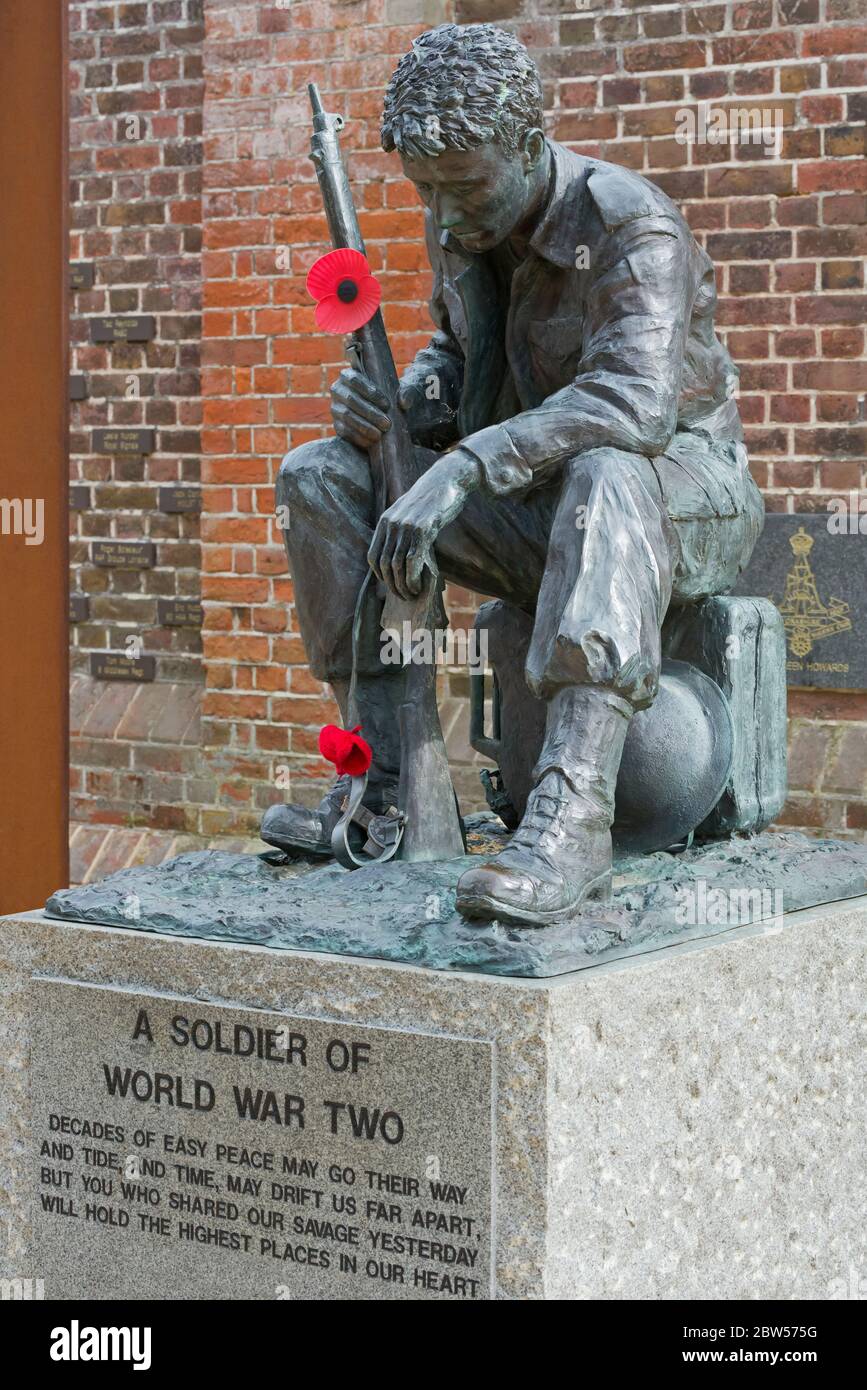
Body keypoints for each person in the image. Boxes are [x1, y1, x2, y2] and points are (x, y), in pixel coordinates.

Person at [262, 22, 763, 927]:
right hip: (537, 498)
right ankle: (382, 790)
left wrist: (462, 462)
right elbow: (457, 362)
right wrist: (404, 403)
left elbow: (635, 406)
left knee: (605, 474)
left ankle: (572, 819)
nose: (445, 216)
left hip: (681, 494)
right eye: (425, 191)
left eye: (462, 187)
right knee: (322, 476)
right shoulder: (463, 223)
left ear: (530, 145)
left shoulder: (626, 222)